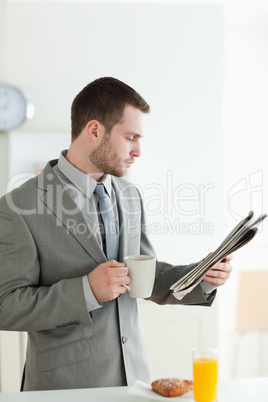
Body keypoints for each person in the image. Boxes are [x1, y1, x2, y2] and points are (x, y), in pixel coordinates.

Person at [0, 77, 232, 391]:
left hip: (133, 383)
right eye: (130, 137)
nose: (138, 151)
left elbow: (143, 277)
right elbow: (6, 305)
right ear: (94, 131)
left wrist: (200, 276)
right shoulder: (19, 205)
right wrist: (86, 291)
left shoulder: (130, 195)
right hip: (63, 388)